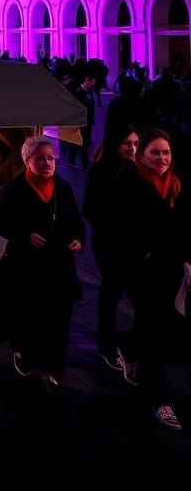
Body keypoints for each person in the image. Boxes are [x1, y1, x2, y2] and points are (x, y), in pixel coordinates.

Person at [0, 137, 84, 395]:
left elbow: (76, 221)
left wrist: (78, 239)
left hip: (58, 266)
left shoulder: (63, 187)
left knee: (59, 320)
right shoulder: (14, 190)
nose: (47, 163)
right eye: (40, 158)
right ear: (27, 160)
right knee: (28, 316)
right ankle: (23, 351)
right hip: (26, 267)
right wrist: (24, 235)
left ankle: (53, 371)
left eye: (51, 158)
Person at [115, 129, 189, 431]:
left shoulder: (176, 184)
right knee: (154, 328)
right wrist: (142, 252)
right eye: (155, 152)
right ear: (142, 154)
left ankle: (128, 347)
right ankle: (158, 400)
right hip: (140, 269)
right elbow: (121, 227)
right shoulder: (128, 181)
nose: (162, 158)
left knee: (155, 322)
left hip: (170, 267)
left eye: (166, 152)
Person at [82, 124, 139, 372]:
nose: (133, 148)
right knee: (111, 292)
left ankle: (128, 344)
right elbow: (89, 209)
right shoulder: (102, 170)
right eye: (128, 143)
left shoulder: (139, 169)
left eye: (136, 143)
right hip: (109, 243)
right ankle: (106, 344)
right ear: (117, 144)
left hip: (135, 244)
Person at [71, 74, 96, 167]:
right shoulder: (79, 92)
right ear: (87, 81)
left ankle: (72, 160)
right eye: (92, 82)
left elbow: (91, 105)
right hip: (81, 121)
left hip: (87, 120)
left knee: (79, 141)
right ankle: (85, 163)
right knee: (83, 142)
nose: (93, 84)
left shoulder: (88, 91)